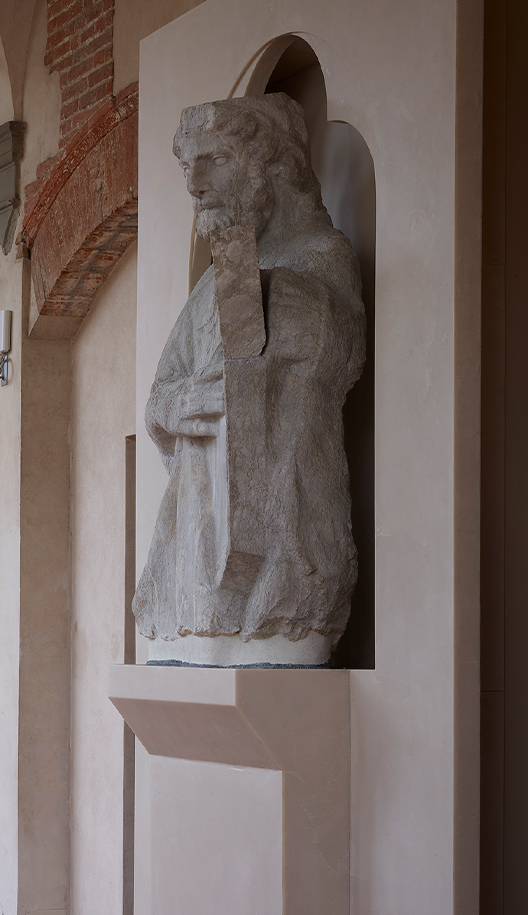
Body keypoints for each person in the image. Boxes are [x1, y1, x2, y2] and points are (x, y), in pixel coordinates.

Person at [133, 93, 365, 664]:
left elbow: (339, 355)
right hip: (197, 543)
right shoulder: (211, 283)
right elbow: (161, 393)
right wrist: (182, 400)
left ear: (270, 167)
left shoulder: (321, 253)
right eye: (189, 167)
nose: (195, 184)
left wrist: (273, 298)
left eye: (214, 160)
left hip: (288, 527)